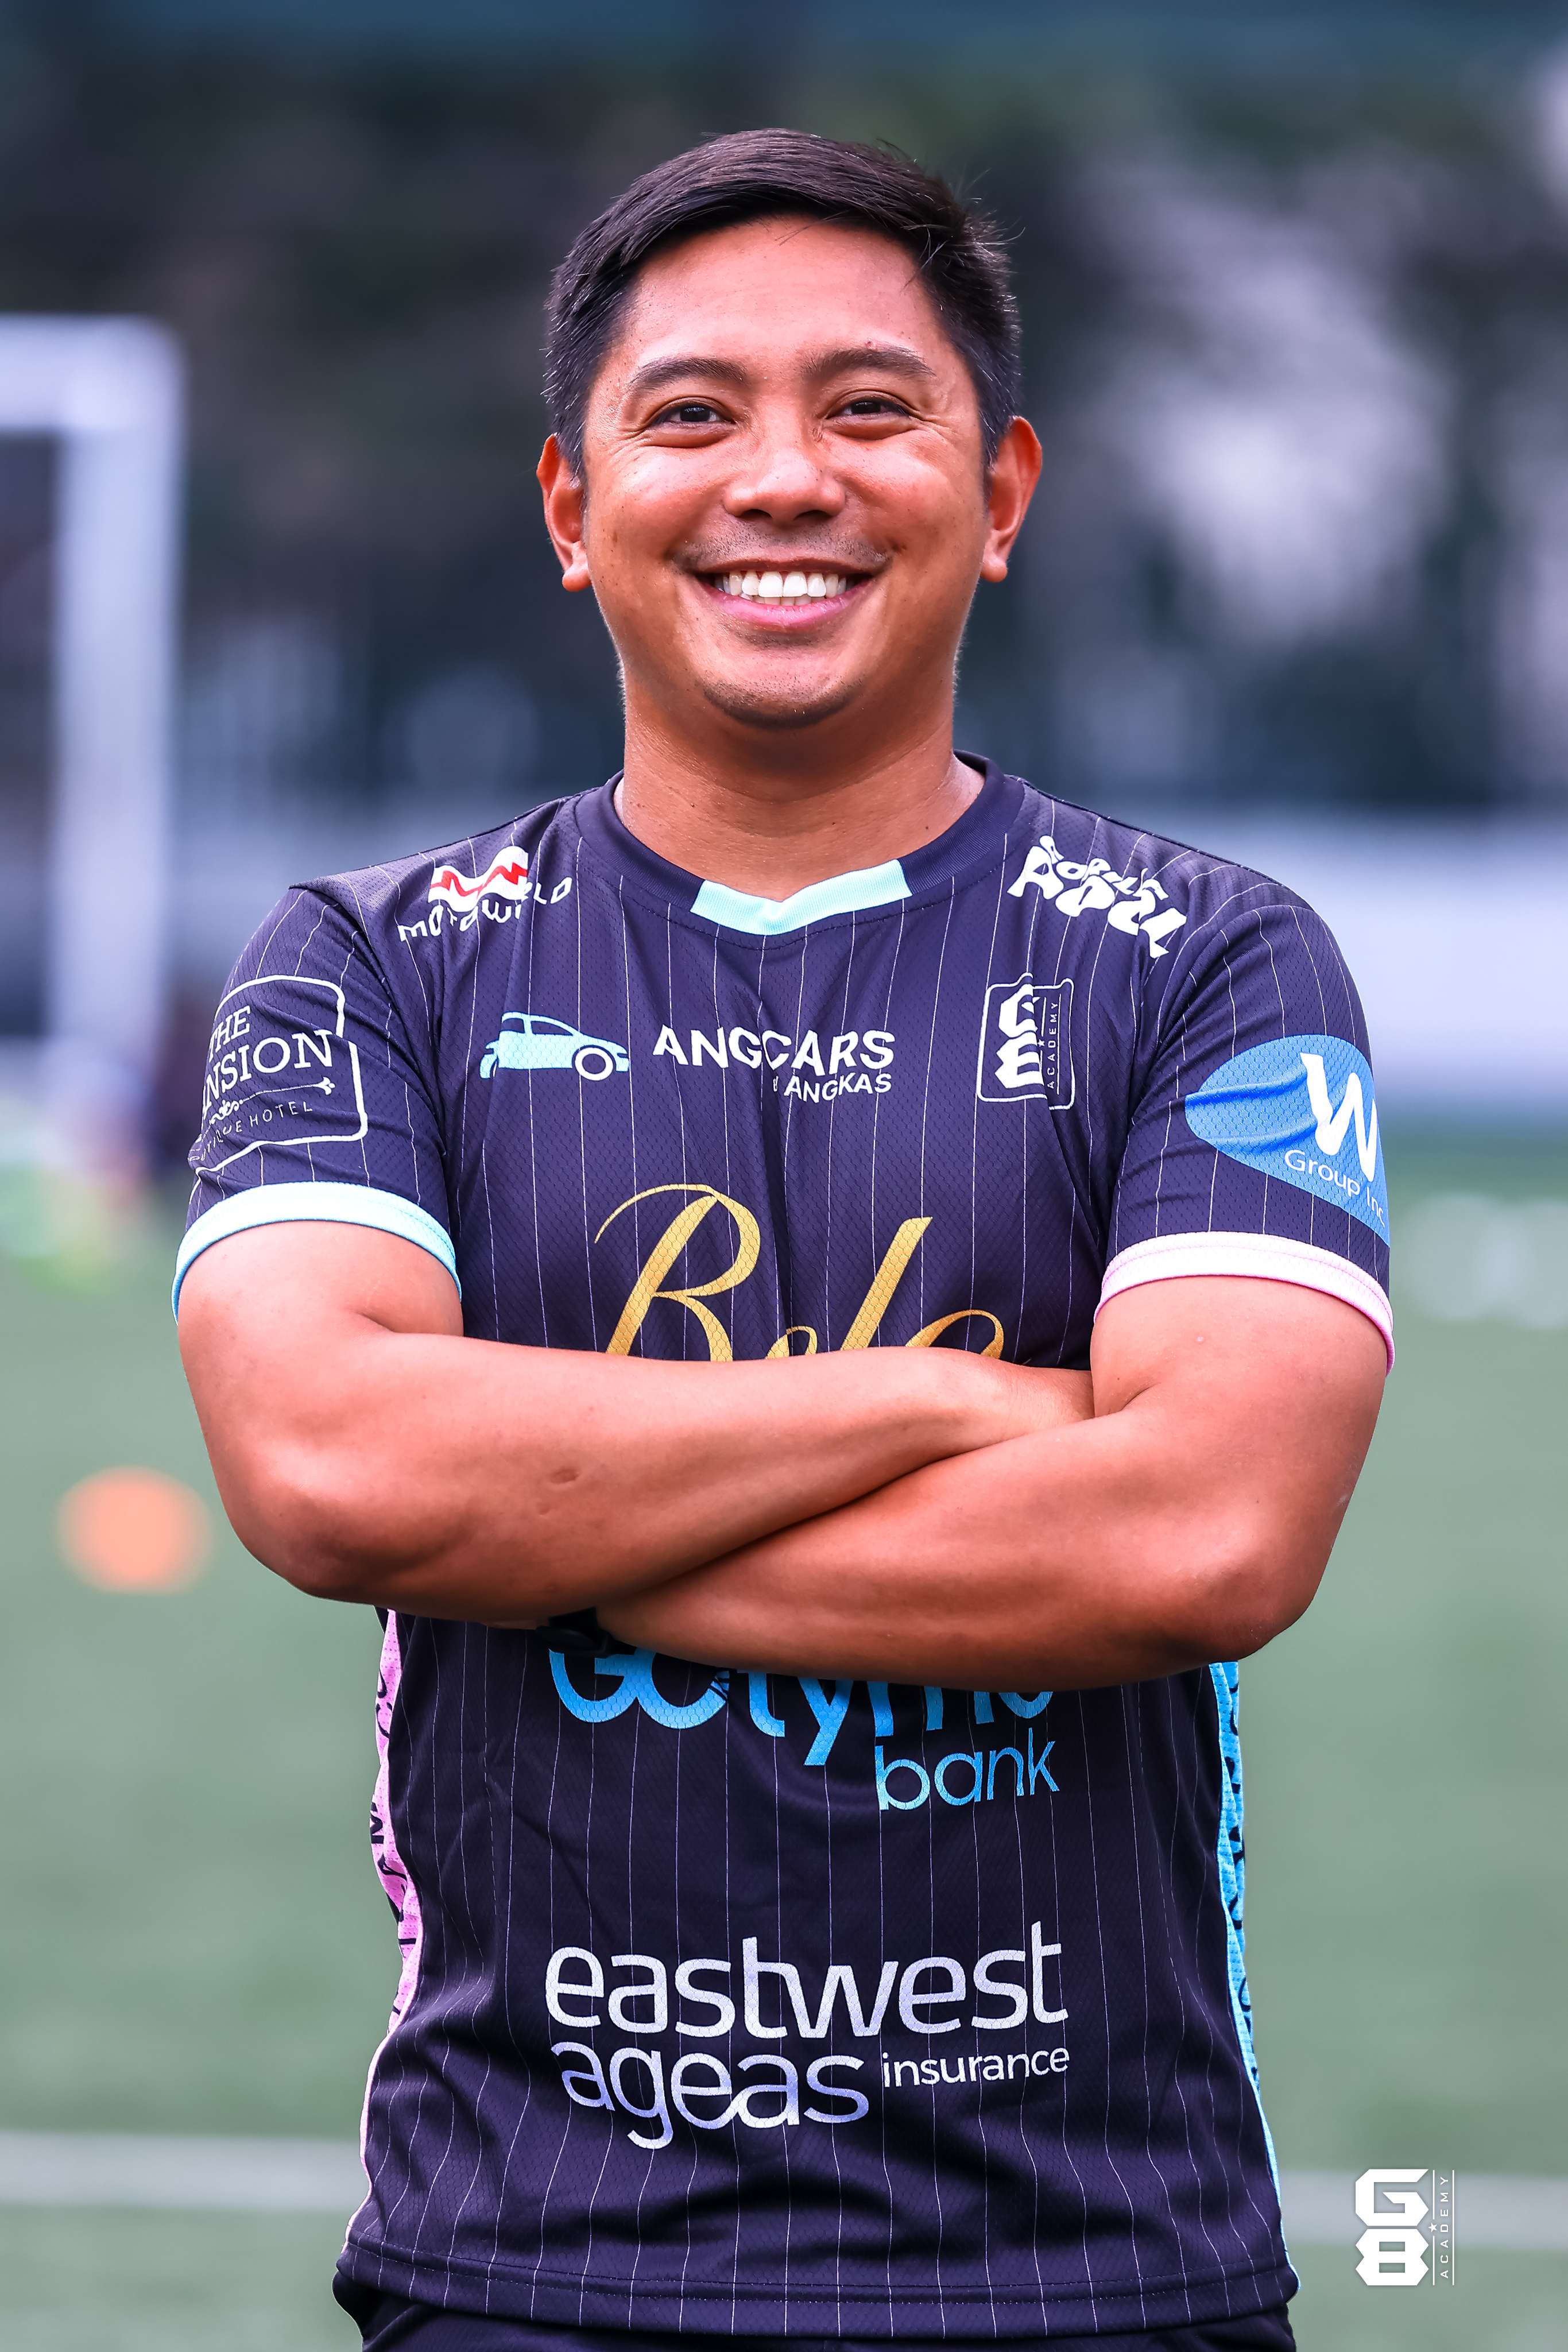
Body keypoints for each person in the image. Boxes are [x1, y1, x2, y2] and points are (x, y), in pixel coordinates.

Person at [177, 130, 1390, 2351]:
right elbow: (333, 1469)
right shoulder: (367, 965)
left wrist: (532, 1526)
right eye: (690, 414)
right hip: (530, 2256)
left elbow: (1202, 1534)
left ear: (998, 492)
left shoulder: (1212, 960)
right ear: (572, 510)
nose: (782, 480)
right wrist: (944, 1403)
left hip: (1096, 2260)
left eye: (868, 407)